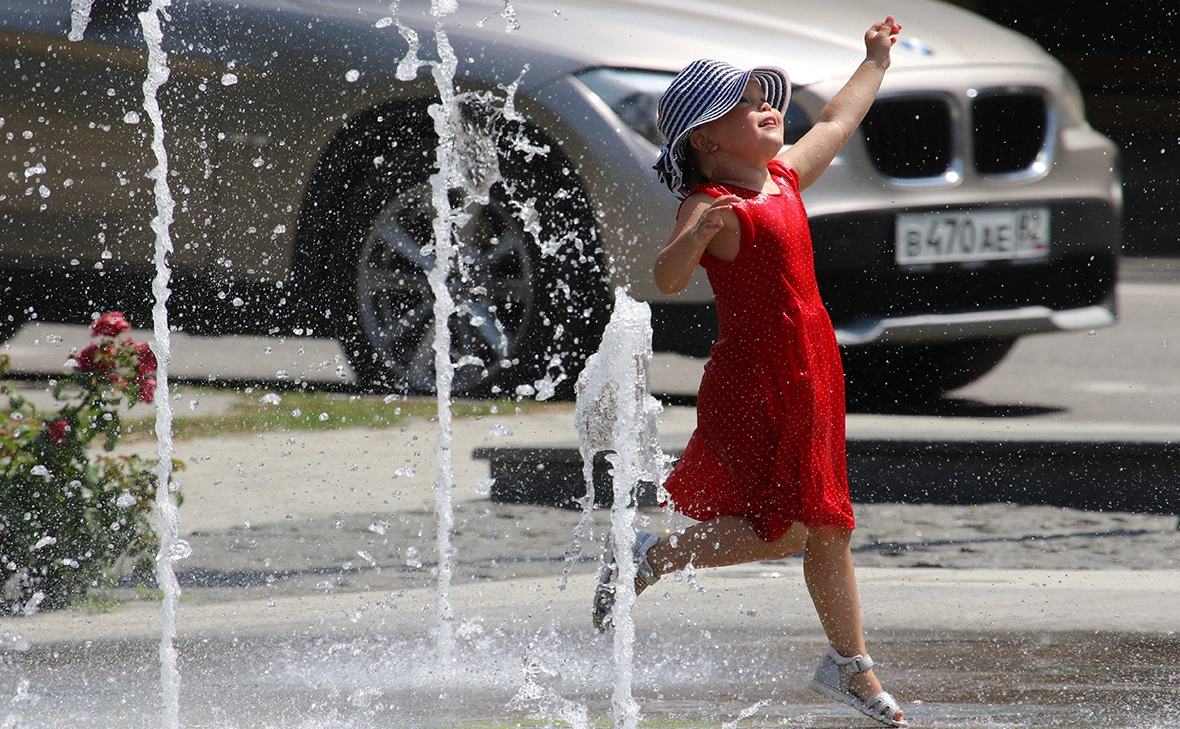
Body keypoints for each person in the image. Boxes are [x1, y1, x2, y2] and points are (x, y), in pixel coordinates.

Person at [592, 16, 908, 729]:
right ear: (706, 140)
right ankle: (653, 556)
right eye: (743, 104)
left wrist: (874, 63)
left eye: (764, 98)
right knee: (789, 528)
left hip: (813, 371)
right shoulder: (712, 206)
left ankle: (850, 666)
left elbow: (836, 119)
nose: (766, 107)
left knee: (826, 524)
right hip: (757, 383)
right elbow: (667, 277)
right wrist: (696, 238)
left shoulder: (784, 177)